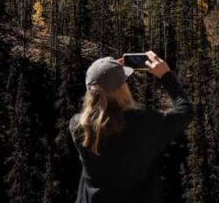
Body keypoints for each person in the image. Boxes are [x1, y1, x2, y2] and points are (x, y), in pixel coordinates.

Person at [69, 51, 193, 203]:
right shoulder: (144, 123)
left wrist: (105, 71)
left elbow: (97, 95)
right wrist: (165, 75)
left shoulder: (79, 126)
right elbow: (185, 111)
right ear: (123, 89)